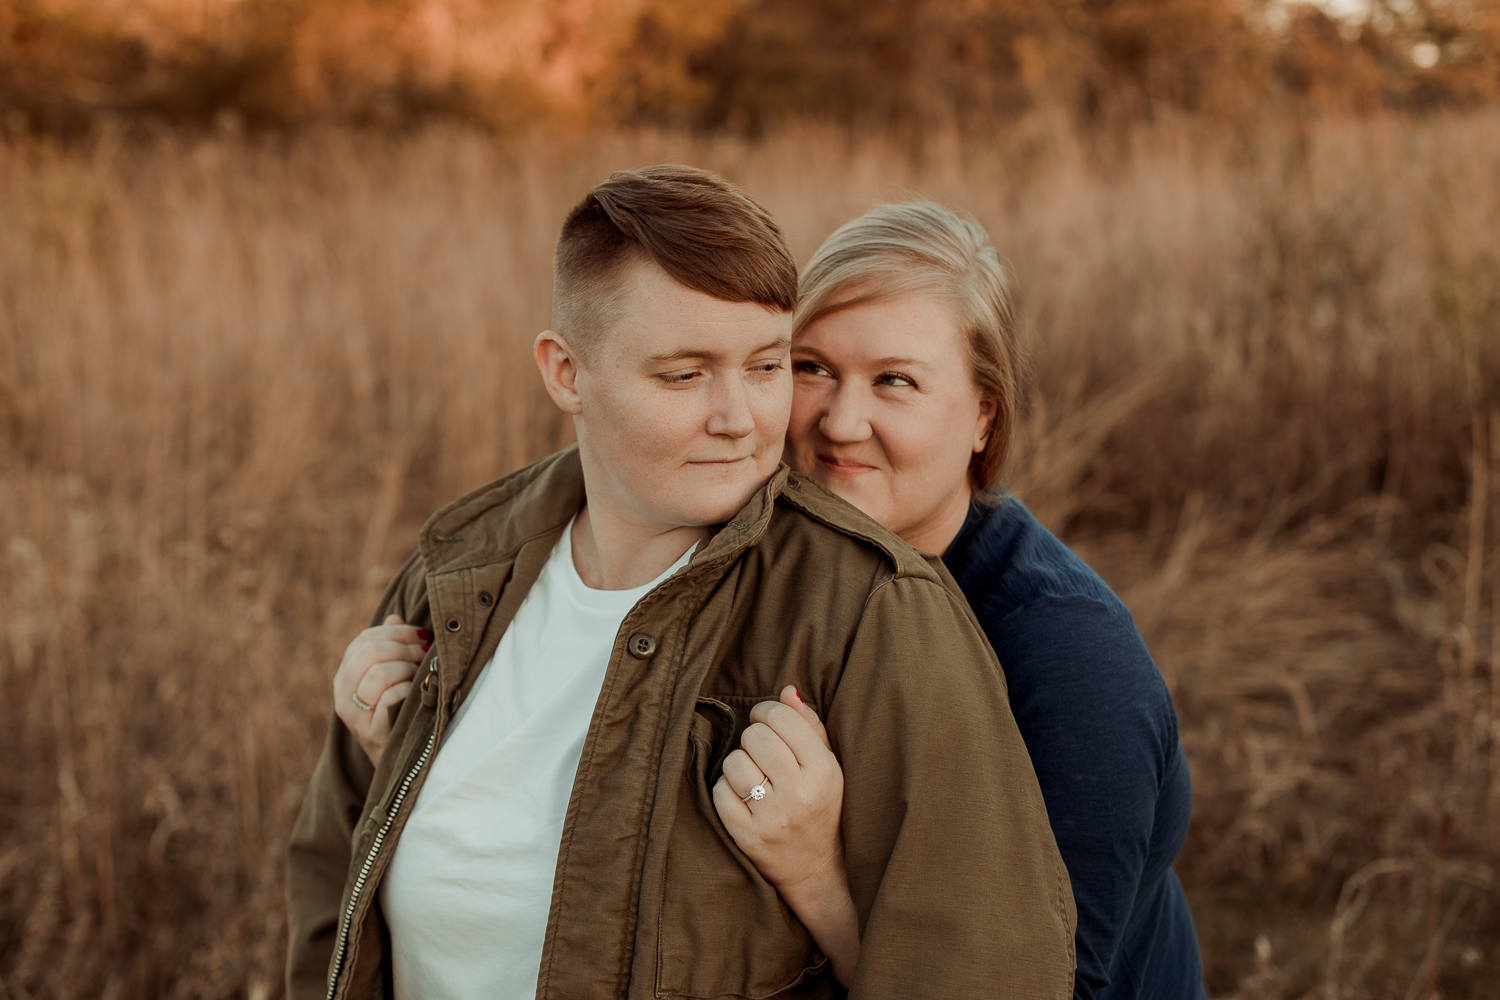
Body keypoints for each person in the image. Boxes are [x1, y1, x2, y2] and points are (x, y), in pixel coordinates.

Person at [285, 166, 1077, 1000]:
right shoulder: (456, 575)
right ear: (566, 373)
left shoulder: (874, 612)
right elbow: (331, 893)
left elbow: (985, 968)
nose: (740, 419)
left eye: (768, 366)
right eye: (684, 374)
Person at [712, 201, 1206, 999]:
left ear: (983, 415)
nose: (841, 422)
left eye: (895, 381)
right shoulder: (771, 557)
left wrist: (816, 878)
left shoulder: (1072, 663)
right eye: (813, 368)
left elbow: (1047, 991)